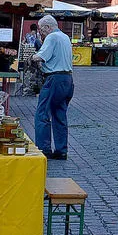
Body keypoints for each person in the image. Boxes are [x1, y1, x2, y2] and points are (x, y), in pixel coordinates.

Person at [31, 15, 75, 160]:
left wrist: (31, 57)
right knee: (59, 114)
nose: (41, 33)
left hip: (54, 78)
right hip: (67, 79)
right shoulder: (65, 37)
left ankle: (44, 149)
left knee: (42, 114)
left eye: (41, 30)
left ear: (47, 27)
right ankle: (62, 150)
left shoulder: (52, 37)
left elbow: (41, 57)